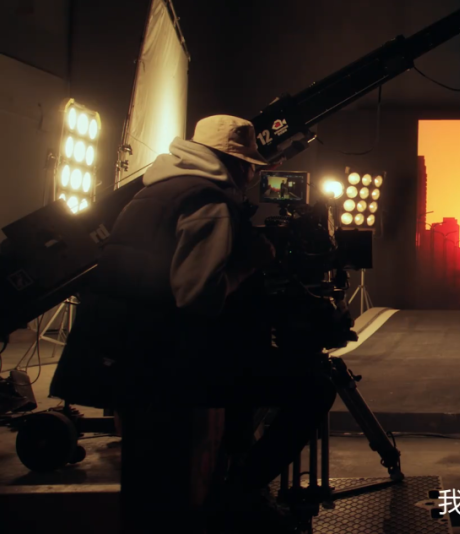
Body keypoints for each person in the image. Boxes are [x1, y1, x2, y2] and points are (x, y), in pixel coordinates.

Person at [51, 115, 336, 532]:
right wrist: (251, 263)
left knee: (240, 377)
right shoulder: (210, 203)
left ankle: (229, 482)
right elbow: (197, 297)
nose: (252, 176)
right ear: (235, 163)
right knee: (313, 387)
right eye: (251, 167)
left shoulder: (156, 191)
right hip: (164, 366)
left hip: (122, 355)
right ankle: (240, 494)